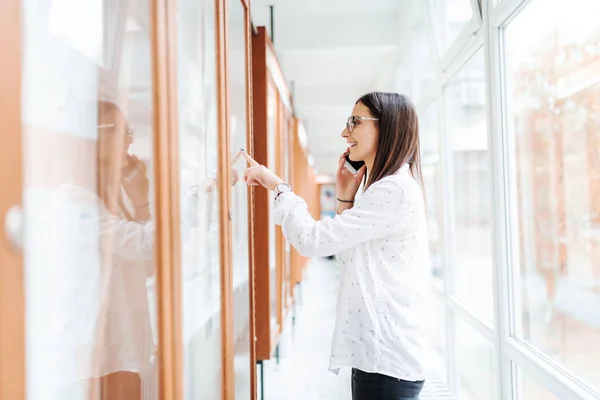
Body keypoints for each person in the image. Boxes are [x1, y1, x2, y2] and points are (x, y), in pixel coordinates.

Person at [244, 92, 431, 400]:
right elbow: (349, 256)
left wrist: (277, 186)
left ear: (387, 128)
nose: (345, 133)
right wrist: (344, 197)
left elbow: (313, 241)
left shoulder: (392, 191)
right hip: (382, 359)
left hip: (387, 363)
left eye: (355, 122)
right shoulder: (389, 188)